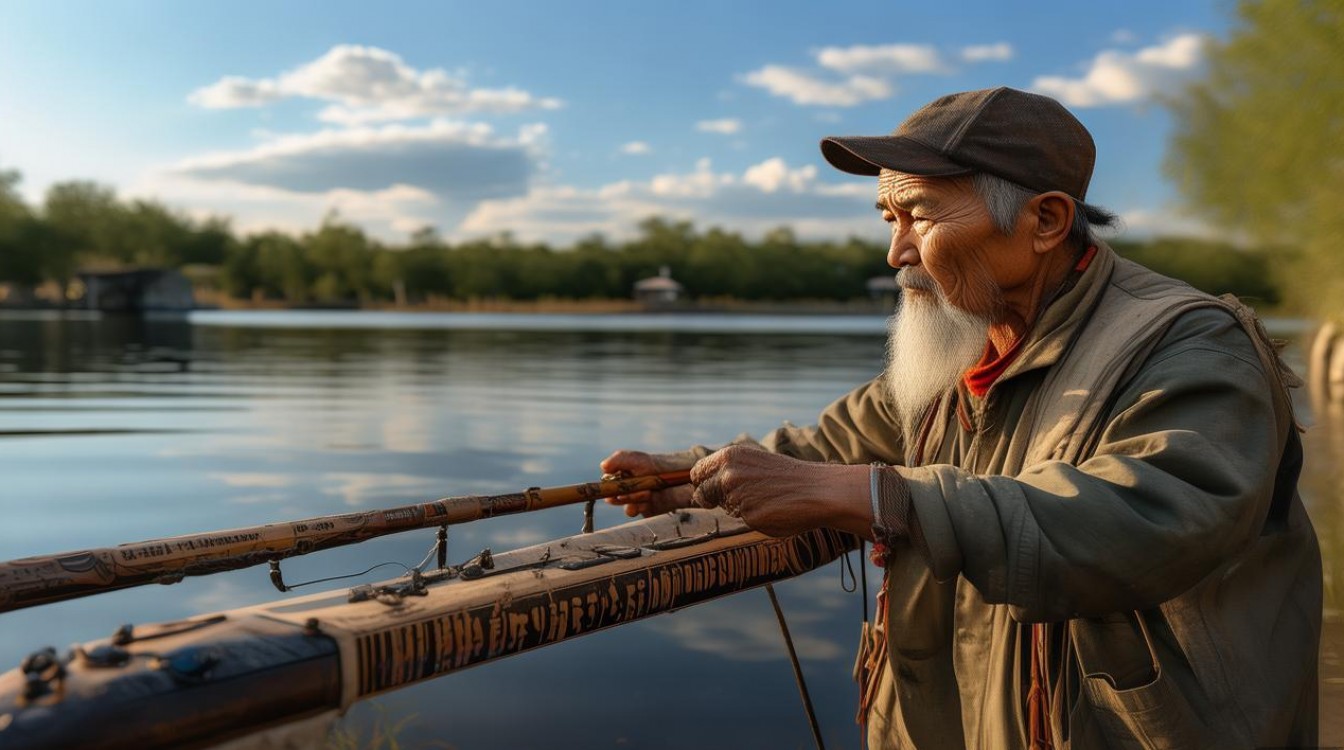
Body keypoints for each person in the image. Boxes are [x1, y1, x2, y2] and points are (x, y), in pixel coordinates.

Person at [601, 87, 1322, 749]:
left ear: (1045, 220)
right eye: (890, 219)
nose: (896, 252)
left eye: (919, 215)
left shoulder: (1190, 341)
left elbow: (1153, 519)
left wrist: (879, 496)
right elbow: (823, 449)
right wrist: (685, 478)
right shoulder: (964, 339)